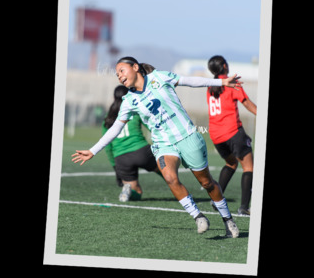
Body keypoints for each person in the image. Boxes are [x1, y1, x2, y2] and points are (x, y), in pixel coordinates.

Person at [72, 57, 242, 238]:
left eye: (122, 70)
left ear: (135, 67)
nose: (119, 76)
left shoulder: (159, 78)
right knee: (169, 177)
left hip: (187, 136)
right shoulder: (129, 101)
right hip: (163, 143)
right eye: (117, 74)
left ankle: (227, 219)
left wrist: (222, 81)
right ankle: (198, 216)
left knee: (206, 182)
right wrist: (93, 150)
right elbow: (115, 128)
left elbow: (190, 81)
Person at [206, 55, 258, 217]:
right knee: (249, 167)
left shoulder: (211, 86)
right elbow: (247, 103)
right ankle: (243, 207)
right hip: (233, 132)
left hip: (216, 135)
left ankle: (216, 199)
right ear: (224, 66)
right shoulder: (230, 83)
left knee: (231, 163)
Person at [101, 85, 163, 201]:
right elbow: (152, 127)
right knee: (167, 173)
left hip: (121, 159)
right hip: (142, 152)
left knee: (137, 192)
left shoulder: (108, 117)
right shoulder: (134, 110)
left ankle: (128, 190)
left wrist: (116, 168)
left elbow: (108, 147)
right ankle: (180, 192)